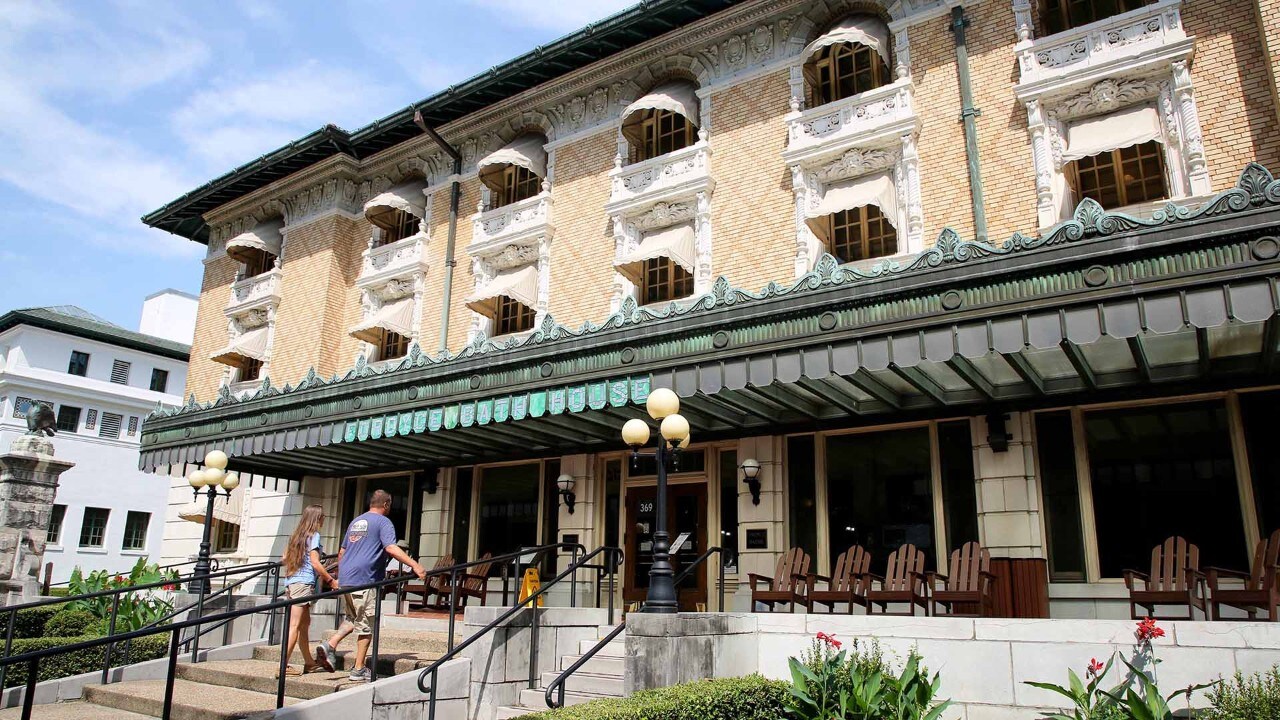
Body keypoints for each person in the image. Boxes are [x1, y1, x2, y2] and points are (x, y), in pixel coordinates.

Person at [314, 489, 425, 682]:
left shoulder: (356, 521)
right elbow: (390, 547)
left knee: (352, 617)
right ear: (387, 504)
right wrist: (414, 564)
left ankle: (330, 645)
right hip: (365, 580)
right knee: (366, 624)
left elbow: (342, 552)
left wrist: (339, 577)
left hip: (347, 579)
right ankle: (358, 669)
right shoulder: (384, 522)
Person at [278, 504, 336, 676]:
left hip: (291, 582)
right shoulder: (314, 536)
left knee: (304, 625)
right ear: (317, 518)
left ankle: (309, 663)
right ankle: (283, 666)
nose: (324, 519)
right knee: (295, 626)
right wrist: (330, 580)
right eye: (322, 517)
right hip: (303, 584)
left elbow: (284, 558)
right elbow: (315, 562)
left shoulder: (296, 536)